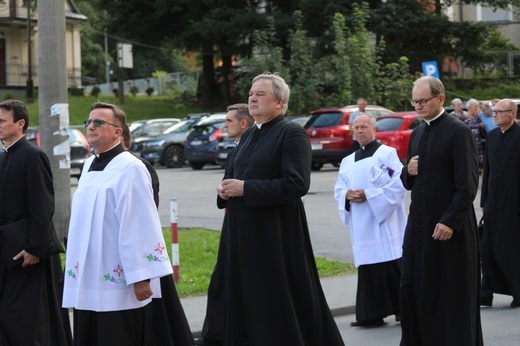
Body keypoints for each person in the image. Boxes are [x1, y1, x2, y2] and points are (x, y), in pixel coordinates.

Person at [215, 73, 345, 345]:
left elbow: (297, 183)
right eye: (251, 93)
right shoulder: (249, 134)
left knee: (274, 302)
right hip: (241, 235)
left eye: (260, 94)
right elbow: (234, 177)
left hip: (274, 236)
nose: (252, 97)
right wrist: (224, 190)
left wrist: (246, 188)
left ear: (279, 102)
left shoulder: (291, 132)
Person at [62, 102, 174, 346]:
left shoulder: (131, 167)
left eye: (98, 122)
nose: (91, 126)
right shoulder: (89, 165)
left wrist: (141, 276)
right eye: (89, 122)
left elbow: (139, 222)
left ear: (117, 132)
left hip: (120, 281)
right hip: (89, 278)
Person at [400, 76, 483, 345]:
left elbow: (468, 185)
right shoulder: (417, 133)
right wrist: (408, 171)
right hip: (421, 227)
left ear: (441, 99)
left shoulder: (458, 132)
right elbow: (409, 181)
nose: (418, 106)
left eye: (423, 101)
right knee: (414, 285)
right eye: (415, 101)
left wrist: (450, 221)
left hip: (450, 230)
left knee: (449, 294)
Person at [0, 99, 72, 345]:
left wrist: (34, 248)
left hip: (27, 252)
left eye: (2, 121)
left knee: (26, 319)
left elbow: (43, 207)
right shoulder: (4, 155)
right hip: (7, 250)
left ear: (20, 124)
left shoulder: (33, 155)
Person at [121, 124, 194, 346]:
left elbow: (145, 212)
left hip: (143, 252)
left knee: (159, 318)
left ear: (121, 137)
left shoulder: (138, 167)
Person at [334, 114, 406, 327]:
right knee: (368, 266)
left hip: (386, 221)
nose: (359, 131)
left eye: (364, 126)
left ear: (374, 129)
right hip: (362, 222)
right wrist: (346, 196)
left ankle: (402, 310)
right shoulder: (347, 162)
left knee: (392, 264)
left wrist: (369, 195)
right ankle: (371, 314)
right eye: (355, 128)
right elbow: (339, 189)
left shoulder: (387, 154)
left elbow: (399, 185)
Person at [195, 103, 254, 346]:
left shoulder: (254, 152)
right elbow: (226, 186)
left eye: (229, 120)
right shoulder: (233, 152)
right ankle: (214, 334)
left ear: (244, 123)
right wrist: (222, 191)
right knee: (220, 282)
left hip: (250, 228)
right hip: (232, 226)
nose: (224, 125)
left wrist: (240, 190)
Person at [479, 98, 520, 308]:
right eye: (493, 111)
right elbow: (488, 171)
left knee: (510, 247)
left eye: (499, 112)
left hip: (513, 203)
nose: (494, 114)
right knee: (486, 247)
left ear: (512, 114)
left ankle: (517, 292)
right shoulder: (492, 136)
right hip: (493, 203)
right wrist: (484, 199)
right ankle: (485, 292)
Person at [460, 99, 485, 170]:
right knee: (469, 164)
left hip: (478, 144)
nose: (477, 108)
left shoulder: (477, 117)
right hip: (468, 144)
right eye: (475, 106)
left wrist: (481, 126)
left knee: (479, 164)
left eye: (477, 106)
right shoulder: (463, 117)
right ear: (469, 107)